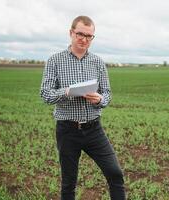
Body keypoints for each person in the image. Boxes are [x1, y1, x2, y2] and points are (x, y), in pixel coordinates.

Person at [40, 16, 126, 200]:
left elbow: (108, 94)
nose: (84, 39)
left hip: (94, 129)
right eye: (80, 34)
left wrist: (99, 99)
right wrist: (68, 92)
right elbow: (46, 95)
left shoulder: (98, 62)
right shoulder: (54, 61)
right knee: (69, 183)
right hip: (67, 130)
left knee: (115, 173)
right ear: (71, 33)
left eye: (89, 36)